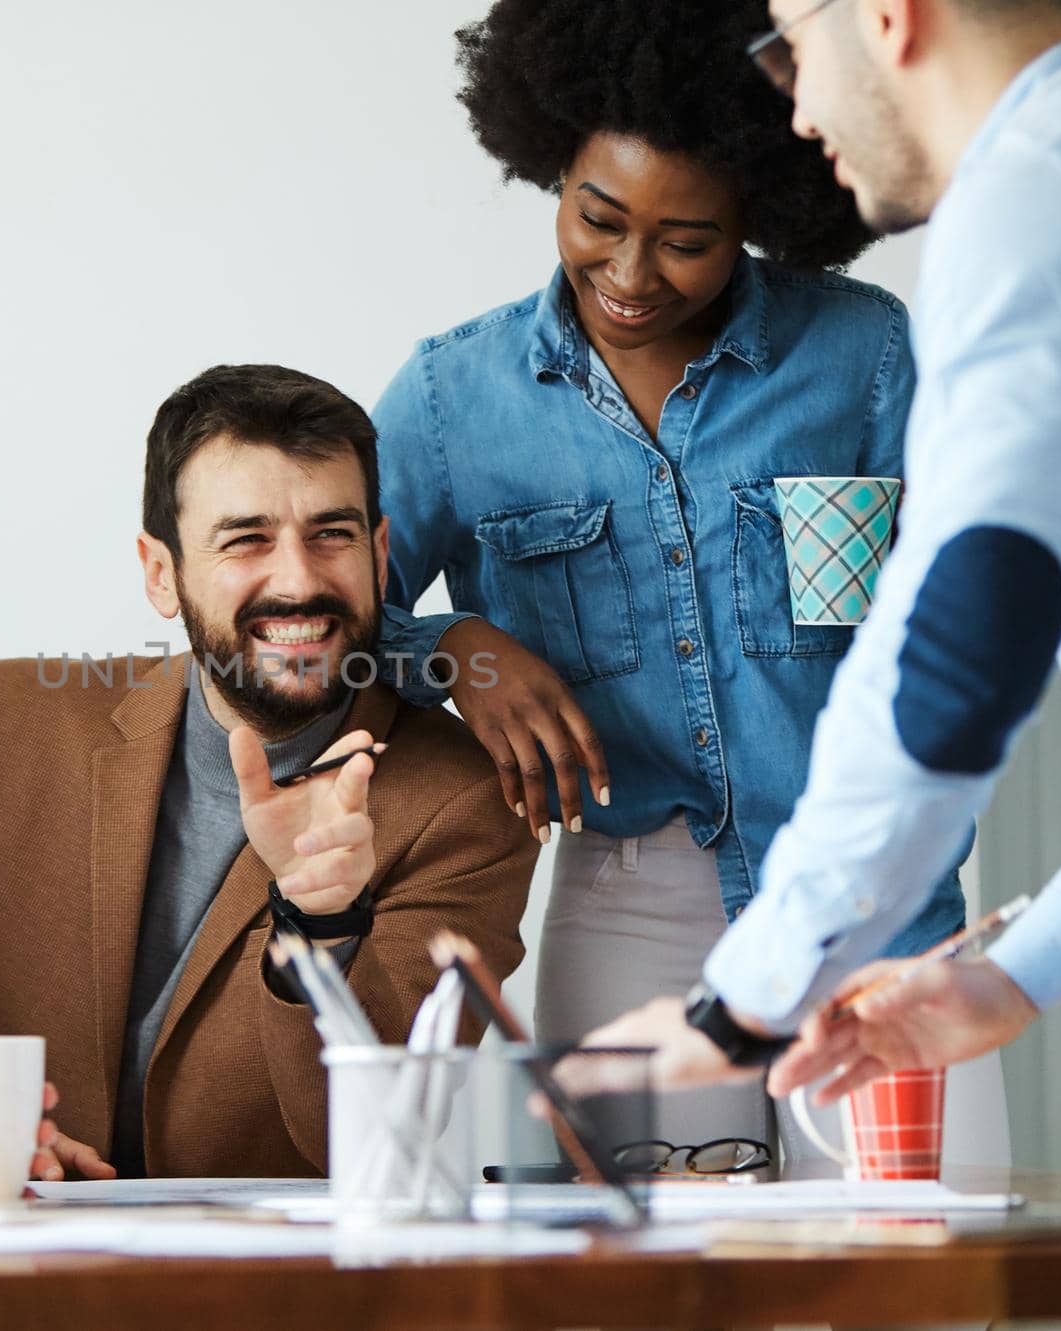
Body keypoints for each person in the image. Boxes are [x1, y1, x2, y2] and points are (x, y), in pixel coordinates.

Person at [368, 0, 966, 1160]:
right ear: (549, 167)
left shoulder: (863, 356)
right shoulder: (453, 397)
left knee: (908, 1269)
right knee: (654, 1285)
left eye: (686, 239)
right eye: (596, 219)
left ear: (758, 214)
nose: (630, 272)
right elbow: (325, 616)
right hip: (630, 902)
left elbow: (954, 612)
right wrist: (451, 647)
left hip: (878, 895)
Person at [0, 364, 537, 1180]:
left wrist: (319, 927)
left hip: (261, 1297)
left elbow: (375, 1135)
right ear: (161, 572)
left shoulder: (466, 800)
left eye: (332, 533)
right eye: (246, 539)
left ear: (379, 551)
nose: (297, 579)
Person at [583, 0, 1061, 1103]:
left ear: (888, 16)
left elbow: (960, 643)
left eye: (789, 49)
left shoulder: (1026, 202)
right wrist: (1014, 979)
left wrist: (746, 1001)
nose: (796, 111)